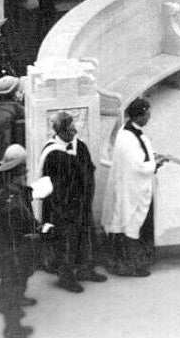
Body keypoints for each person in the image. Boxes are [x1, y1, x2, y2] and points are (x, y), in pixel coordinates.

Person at [36, 111, 107, 292]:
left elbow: (88, 170)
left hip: (82, 202)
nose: (75, 131)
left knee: (86, 235)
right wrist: (64, 206)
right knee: (66, 239)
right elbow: (53, 185)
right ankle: (65, 277)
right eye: (70, 129)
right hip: (62, 206)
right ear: (61, 131)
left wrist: (86, 197)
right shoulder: (52, 153)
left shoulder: (80, 146)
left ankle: (85, 269)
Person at [102, 97, 169, 277]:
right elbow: (138, 166)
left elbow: (138, 157)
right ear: (138, 116)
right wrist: (156, 163)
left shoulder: (128, 131)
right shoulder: (129, 137)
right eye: (147, 115)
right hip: (133, 190)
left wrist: (152, 156)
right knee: (132, 224)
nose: (149, 117)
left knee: (127, 223)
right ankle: (131, 265)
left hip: (132, 187)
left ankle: (125, 262)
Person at [0, 145, 42, 338]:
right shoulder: (2, 197)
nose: (25, 175)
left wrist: (37, 228)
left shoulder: (21, 192)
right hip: (9, 249)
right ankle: (12, 328)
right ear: (11, 177)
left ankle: (14, 305)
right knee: (12, 286)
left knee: (20, 278)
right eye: (21, 173)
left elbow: (28, 217)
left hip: (22, 246)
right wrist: (4, 251)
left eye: (24, 172)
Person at [0, 75, 25, 162]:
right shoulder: (5, 115)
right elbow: (5, 141)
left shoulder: (4, 108)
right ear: (12, 93)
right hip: (6, 157)